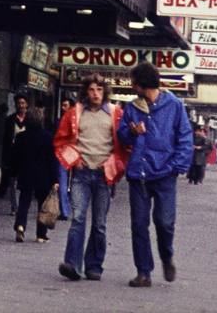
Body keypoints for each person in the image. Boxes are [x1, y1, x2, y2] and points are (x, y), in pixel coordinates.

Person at [117, 63, 193, 288]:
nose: (132, 86)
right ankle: (143, 272)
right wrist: (131, 132)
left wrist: (175, 167)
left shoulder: (175, 105)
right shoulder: (132, 108)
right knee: (139, 224)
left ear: (143, 84)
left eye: (134, 83)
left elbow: (185, 138)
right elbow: (123, 135)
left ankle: (167, 256)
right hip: (138, 175)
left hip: (165, 174)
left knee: (165, 222)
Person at [54, 76, 125, 282]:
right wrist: (73, 160)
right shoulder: (74, 113)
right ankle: (73, 265)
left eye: (99, 89)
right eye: (92, 89)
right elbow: (60, 140)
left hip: (104, 175)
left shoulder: (115, 113)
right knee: (77, 219)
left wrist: (113, 164)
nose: (95, 93)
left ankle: (94, 266)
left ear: (105, 92)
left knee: (99, 223)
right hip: (81, 175)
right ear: (85, 92)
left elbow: (124, 143)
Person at [8, 107, 59, 243]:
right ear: (41, 120)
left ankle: (20, 225)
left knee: (24, 202)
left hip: (26, 174)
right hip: (44, 176)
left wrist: (13, 173)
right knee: (42, 205)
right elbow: (53, 160)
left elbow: (14, 157)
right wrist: (55, 179)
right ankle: (41, 235)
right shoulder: (49, 138)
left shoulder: (20, 137)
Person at [0, 95, 30, 211]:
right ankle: (15, 206)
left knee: (26, 181)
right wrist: (5, 156)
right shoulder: (10, 120)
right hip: (13, 154)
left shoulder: (31, 119)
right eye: (18, 103)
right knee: (13, 182)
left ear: (26, 104)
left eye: (22, 103)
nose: (20, 105)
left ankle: (24, 204)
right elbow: (5, 139)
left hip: (27, 154)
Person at [55, 98, 74, 220]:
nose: (62, 107)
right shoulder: (77, 121)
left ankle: (65, 211)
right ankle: (70, 210)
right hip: (73, 153)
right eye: (62, 105)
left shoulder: (59, 121)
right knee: (72, 182)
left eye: (65, 105)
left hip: (62, 154)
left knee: (63, 182)